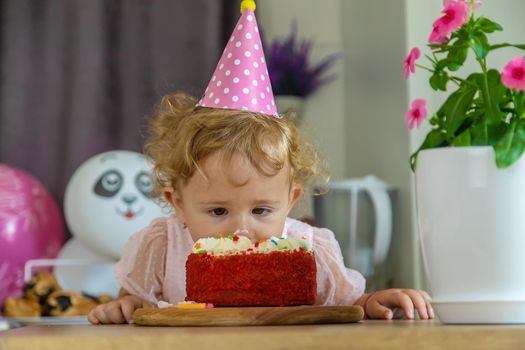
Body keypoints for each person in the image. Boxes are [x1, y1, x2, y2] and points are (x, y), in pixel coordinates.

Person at [87, 92, 434, 325]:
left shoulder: (312, 249)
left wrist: (375, 302)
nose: (242, 229)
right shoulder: (162, 246)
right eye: (218, 211)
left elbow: (352, 301)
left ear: (291, 201)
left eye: (262, 210)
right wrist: (126, 306)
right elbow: (133, 303)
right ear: (178, 203)